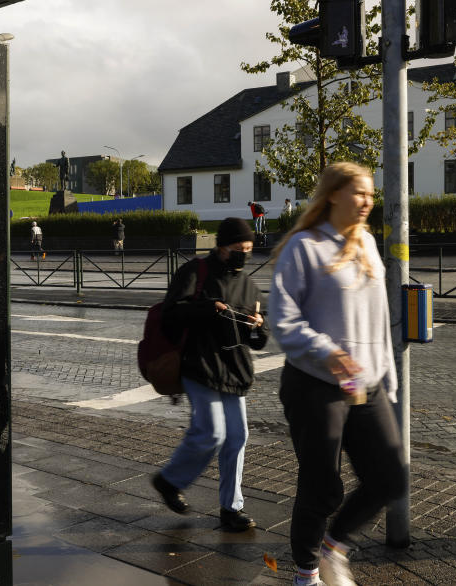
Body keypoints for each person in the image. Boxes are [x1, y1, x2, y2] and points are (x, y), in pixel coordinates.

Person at [267, 162, 405, 586]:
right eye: (359, 192)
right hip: (315, 383)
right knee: (322, 487)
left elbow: (379, 318)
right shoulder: (304, 247)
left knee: (389, 477)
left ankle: (333, 548)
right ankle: (307, 575)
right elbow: (283, 320)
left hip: (367, 383)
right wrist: (327, 351)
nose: (367, 201)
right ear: (332, 195)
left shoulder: (366, 242)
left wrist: (388, 377)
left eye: (370, 194)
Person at [151, 217, 270, 532]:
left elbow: (261, 336)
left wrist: (259, 326)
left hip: (235, 371)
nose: (243, 255)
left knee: (237, 436)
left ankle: (232, 508)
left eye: (248, 249)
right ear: (221, 246)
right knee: (212, 432)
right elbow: (170, 314)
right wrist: (208, 309)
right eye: (237, 248)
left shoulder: (248, 284)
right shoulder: (195, 272)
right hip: (199, 366)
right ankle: (169, 481)